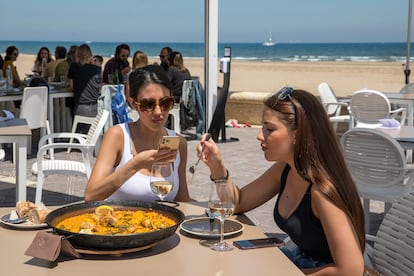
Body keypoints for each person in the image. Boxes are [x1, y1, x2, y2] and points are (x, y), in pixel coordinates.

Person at [198, 87, 365, 275]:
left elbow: (351, 269)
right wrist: (216, 166)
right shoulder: (285, 170)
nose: (260, 135)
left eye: (269, 129)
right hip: (297, 261)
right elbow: (238, 203)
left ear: (298, 134)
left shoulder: (321, 191)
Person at [84, 65, 192, 202]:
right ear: (133, 104)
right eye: (148, 104)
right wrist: (135, 165)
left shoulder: (177, 143)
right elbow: (91, 195)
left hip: (163, 222)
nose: (158, 112)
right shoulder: (118, 136)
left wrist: (218, 173)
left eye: (165, 103)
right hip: (122, 222)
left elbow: (182, 200)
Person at [67, 44, 101, 122]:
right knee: (91, 132)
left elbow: (72, 86)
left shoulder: (74, 67)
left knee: (78, 132)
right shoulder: (96, 69)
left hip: (81, 106)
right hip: (94, 106)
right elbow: (98, 87)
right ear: (90, 56)